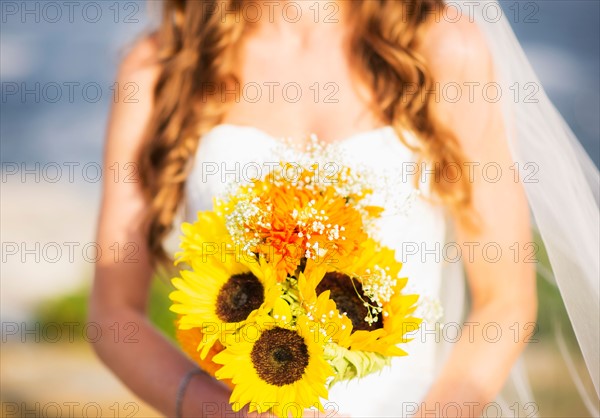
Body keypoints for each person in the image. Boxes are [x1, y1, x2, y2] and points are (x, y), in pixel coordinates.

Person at [90, 1, 597, 416]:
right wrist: (218, 411)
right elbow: (113, 314)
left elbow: (505, 302)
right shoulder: (160, 67)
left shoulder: (444, 48)